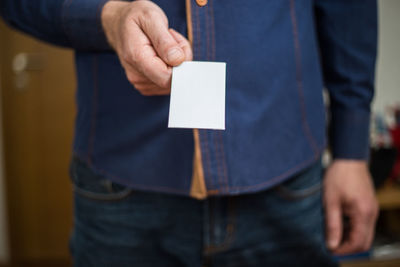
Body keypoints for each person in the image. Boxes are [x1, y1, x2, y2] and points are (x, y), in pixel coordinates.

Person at [1, 0, 379, 266]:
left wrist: (351, 148)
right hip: (121, 189)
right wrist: (109, 17)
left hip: (287, 177)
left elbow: (349, 7)